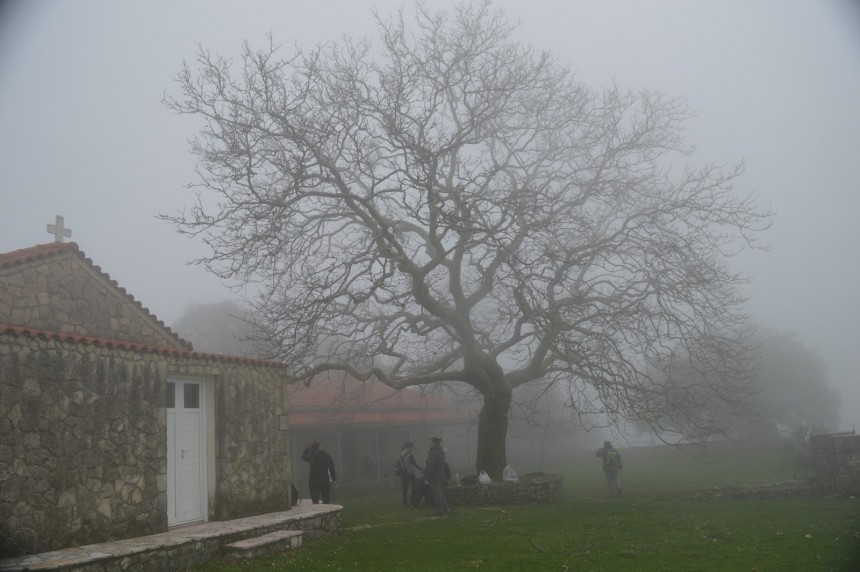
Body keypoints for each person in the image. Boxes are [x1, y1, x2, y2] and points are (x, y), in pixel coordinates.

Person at [426, 437, 451, 515]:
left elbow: (431, 466)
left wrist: (428, 477)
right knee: (440, 493)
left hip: (434, 476)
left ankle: (440, 510)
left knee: (437, 494)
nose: (428, 444)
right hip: (440, 475)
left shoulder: (433, 453)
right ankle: (446, 508)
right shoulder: (441, 451)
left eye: (430, 443)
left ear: (434, 443)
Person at [398, 441, 423, 507]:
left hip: (403, 472)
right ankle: (412, 500)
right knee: (415, 486)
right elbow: (414, 464)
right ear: (410, 447)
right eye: (412, 447)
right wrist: (421, 468)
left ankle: (404, 501)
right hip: (409, 472)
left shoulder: (402, 452)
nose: (413, 448)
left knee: (405, 487)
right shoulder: (410, 454)